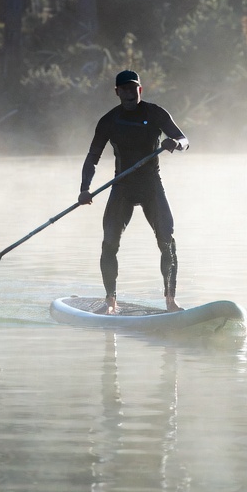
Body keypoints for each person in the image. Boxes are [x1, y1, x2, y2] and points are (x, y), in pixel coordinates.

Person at [78, 70, 188, 314]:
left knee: (167, 242)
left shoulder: (155, 113)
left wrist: (175, 143)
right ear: (117, 92)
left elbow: (184, 140)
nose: (129, 93)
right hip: (122, 186)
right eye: (124, 89)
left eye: (133, 88)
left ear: (140, 90)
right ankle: (110, 301)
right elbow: (93, 157)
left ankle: (171, 301)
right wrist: (84, 189)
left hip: (151, 185)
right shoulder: (109, 121)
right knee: (109, 243)